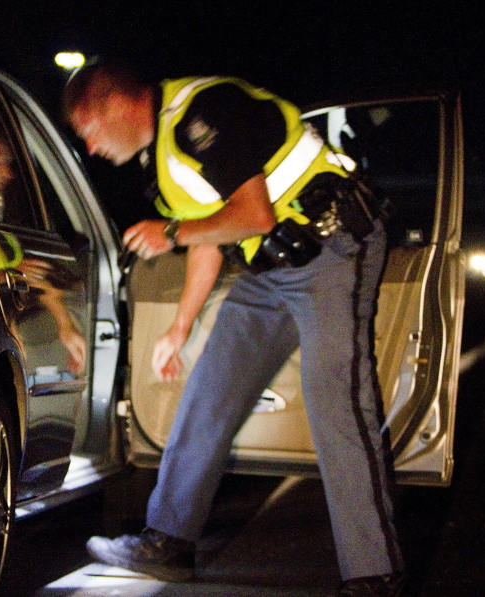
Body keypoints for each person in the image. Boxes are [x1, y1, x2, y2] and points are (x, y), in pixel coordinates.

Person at [63, 59, 405, 597]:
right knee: (208, 391)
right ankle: (169, 542)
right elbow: (210, 238)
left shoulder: (203, 110)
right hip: (271, 270)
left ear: (113, 104)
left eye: (88, 131)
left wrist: (171, 231)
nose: (90, 148)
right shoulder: (163, 159)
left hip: (334, 248)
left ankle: (374, 574)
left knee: (336, 403)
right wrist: (179, 328)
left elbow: (252, 215)